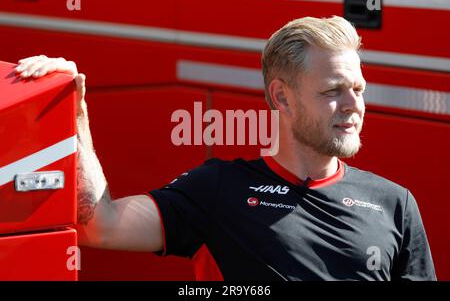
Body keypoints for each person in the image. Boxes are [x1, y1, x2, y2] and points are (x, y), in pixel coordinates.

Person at [15, 16, 436, 281]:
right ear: (283, 98)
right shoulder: (220, 188)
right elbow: (99, 225)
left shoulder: (395, 203)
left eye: (358, 89)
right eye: (333, 91)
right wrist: (75, 109)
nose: (353, 105)